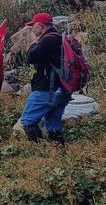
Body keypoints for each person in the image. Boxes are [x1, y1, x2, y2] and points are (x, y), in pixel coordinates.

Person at [20, 12, 71, 145]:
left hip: (47, 90)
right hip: (63, 90)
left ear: (41, 26)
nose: (32, 29)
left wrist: (34, 42)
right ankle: (59, 152)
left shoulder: (47, 39)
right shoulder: (60, 38)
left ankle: (41, 152)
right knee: (54, 125)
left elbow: (30, 58)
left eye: (33, 26)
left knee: (27, 121)